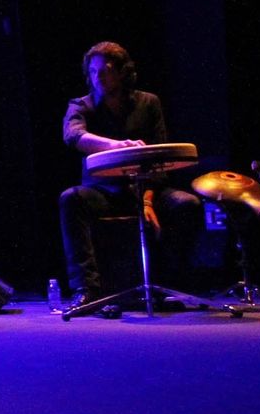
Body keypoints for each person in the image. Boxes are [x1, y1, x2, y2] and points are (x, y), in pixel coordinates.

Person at [59, 41, 203, 313]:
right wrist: (115, 145)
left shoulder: (148, 103)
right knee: (71, 199)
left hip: (148, 191)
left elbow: (160, 161)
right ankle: (87, 290)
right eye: (93, 71)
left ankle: (173, 285)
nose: (99, 76)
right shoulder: (82, 105)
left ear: (123, 72)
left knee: (188, 204)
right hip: (105, 193)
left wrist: (147, 201)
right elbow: (73, 135)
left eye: (106, 70)